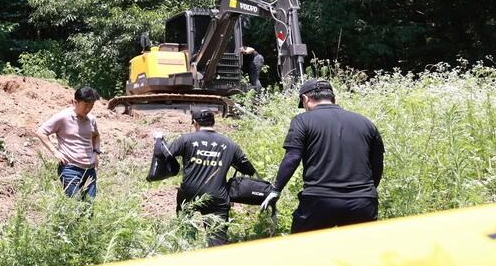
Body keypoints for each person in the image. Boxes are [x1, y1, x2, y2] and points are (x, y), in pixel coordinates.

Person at [262, 78, 385, 232]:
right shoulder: (366, 123)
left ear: (305, 99)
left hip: (319, 200)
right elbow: (377, 163)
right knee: (358, 252)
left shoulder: (302, 121)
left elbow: (292, 158)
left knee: (304, 250)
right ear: (334, 98)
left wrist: (276, 189)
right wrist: (367, 191)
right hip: (363, 202)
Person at [152, 108, 256, 246]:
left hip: (189, 195)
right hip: (217, 196)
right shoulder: (230, 144)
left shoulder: (186, 139)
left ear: (194, 122)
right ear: (213, 122)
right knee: (217, 242)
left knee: (184, 234)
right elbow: (248, 169)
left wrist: (158, 139)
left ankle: (187, 247)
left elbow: (164, 153)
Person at [34, 86, 102, 199]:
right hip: (70, 169)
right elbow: (41, 132)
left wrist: (96, 152)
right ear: (75, 102)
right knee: (73, 205)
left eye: (91, 106)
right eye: (86, 105)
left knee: (89, 207)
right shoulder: (63, 117)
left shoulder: (91, 119)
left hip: (89, 170)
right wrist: (56, 152)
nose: (88, 109)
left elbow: (96, 136)